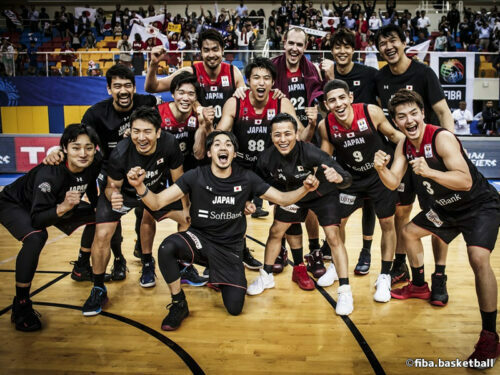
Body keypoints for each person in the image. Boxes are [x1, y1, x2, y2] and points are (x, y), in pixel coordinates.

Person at [125, 130, 320, 330]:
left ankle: (218, 274)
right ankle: (178, 303)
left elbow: (283, 199)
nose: (223, 147)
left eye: (228, 144)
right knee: (167, 247)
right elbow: (156, 203)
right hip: (200, 239)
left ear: (234, 153)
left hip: (229, 249)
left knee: (235, 307)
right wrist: (140, 187)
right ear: (209, 152)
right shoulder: (195, 176)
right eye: (217, 144)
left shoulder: (247, 178)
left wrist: (305, 188)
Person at [374, 89, 500, 368]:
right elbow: (394, 182)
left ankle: (490, 336)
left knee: (478, 259)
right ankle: (419, 285)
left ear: (423, 114)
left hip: (478, 206)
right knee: (408, 233)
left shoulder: (440, 137)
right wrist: (381, 169)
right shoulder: (403, 145)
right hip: (445, 208)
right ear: (395, 122)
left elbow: (465, 180)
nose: (409, 120)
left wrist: (428, 171)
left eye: (413, 113)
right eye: (401, 116)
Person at [44, 65, 161, 279]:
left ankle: (144, 256)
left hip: (143, 170)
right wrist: (55, 150)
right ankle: (118, 259)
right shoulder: (95, 114)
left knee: (145, 213)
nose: (123, 91)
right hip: (111, 172)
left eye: (127, 85)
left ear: (134, 88)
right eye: (117, 86)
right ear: (109, 89)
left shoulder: (148, 103)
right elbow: (79, 140)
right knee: (108, 216)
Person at [82, 106, 190, 316]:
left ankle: (157, 264)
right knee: (102, 233)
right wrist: (112, 197)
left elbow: (179, 179)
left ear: (158, 132)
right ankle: (97, 287)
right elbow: (111, 186)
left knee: (184, 218)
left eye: (147, 131)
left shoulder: (169, 143)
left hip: (151, 190)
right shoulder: (120, 152)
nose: (141, 137)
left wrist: (186, 207)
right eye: (136, 131)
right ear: (129, 131)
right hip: (123, 193)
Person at [212, 57, 316, 270]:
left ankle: (297, 264)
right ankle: (238, 252)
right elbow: (219, 136)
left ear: (273, 83)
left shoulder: (281, 102)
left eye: (266, 78)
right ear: (247, 81)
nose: (261, 82)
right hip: (242, 167)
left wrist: (312, 124)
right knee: (234, 214)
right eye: (256, 78)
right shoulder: (236, 102)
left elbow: (301, 137)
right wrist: (207, 126)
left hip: (272, 168)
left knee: (288, 211)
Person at [248, 113, 355, 315]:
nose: (282, 139)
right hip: (294, 196)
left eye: (287, 133)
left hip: (322, 194)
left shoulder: (312, 153)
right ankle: (266, 275)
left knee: (333, 236)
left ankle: (345, 290)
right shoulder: (266, 158)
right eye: (277, 134)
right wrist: (250, 201)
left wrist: (338, 177)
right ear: (271, 136)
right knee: (276, 231)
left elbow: (348, 178)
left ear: (297, 134)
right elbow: (254, 183)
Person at [374, 24, 454, 291]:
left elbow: (443, 112)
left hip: (430, 155)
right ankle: (401, 266)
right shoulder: (380, 77)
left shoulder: (424, 72)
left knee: (437, 215)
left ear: (403, 42)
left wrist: (449, 148)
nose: (388, 47)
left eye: (393, 40)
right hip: (402, 153)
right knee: (401, 212)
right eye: (383, 43)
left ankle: (439, 277)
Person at [0, 124, 101, 331]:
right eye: (76, 147)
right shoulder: (50, 174)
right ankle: (21, 304)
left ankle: (81, 267)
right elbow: (37, 220)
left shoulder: (94, 162)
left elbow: (89, 183)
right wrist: (63, 208)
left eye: (88, 148)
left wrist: (97, 205)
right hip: (15, 204)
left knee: (100, 217)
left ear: (95, 149)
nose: (83, 153)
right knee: (36, 237)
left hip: (55, 203)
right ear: (64, 148)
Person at [317, 79, 405, 303]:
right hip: (351, 180)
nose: (338, 103)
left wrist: (394, 164)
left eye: (341, 98)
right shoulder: (325, 126)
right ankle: (337, 267)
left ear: (350, 98)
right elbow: (325, 159)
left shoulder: (370, 112)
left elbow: (398, 137)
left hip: (378, 175)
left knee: (387, 223)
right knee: (338, 224)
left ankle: (384, 275)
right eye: (332, 100)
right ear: (327, 105)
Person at [321, 29, 379, 275]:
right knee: (340, 208)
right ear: (332, 50)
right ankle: (335, 254)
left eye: (347, 46)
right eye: (337, 47)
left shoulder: (369, 74)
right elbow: (328, 104)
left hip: (370, 147)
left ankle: (366, 251)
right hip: (344, 151)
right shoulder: (328, 76)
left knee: (370, 206)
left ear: (354, 49)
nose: (342, 51)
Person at [270, 27, 326, 271]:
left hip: (306, 138)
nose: (294, 48)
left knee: (310, 198)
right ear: (284, 42)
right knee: (280, 197)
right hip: (280, 141)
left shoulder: (311, 69)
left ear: (305, 47)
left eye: (299, 45)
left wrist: (309, 126)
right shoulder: (273, 66)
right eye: (290, 43)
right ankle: (281, 247)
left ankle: (314, 249)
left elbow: (319, 100)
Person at [157, 71, 215, 285]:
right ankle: (145, 259)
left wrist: (204, 126)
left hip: (186, 170)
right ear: (172, 94)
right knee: (145, 216)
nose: (185, 97)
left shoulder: (197, 117)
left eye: (191, 94)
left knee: (186, 215)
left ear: (195, 98)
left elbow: (200, 153)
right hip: (160, 172)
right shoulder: (158, 113)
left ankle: (184, 267)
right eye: (181, 92)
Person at [145, 29, 246, 128]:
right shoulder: (191, 72)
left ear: (222, 50)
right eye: (206, 50)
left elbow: (245, 102)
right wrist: (154, 64)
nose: (211, 55)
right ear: (201, 52)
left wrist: (243, 91)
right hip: (198, 135)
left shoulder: (233, 72)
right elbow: (153, 87)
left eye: (215, 49)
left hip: (225, 138)